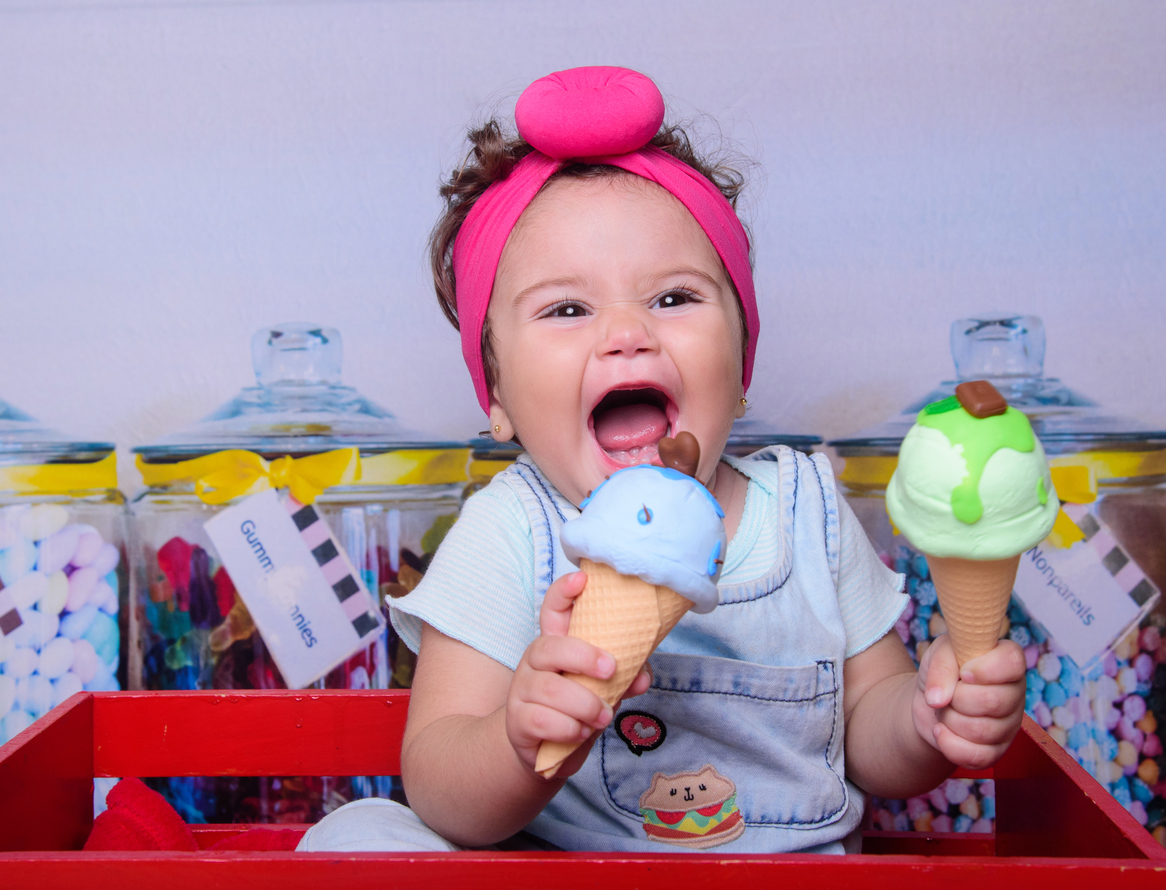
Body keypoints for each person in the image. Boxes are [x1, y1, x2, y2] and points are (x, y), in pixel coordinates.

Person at [297, 66, 1026, 855]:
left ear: (741, 362)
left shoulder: (804, 510)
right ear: (498, 397)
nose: (625, 332)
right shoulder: (509, 529)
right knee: (360, 837)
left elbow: (870, 735)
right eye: (567, 309)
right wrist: (517, 741)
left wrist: (928, 713)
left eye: (674, 298)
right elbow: (438, 788)